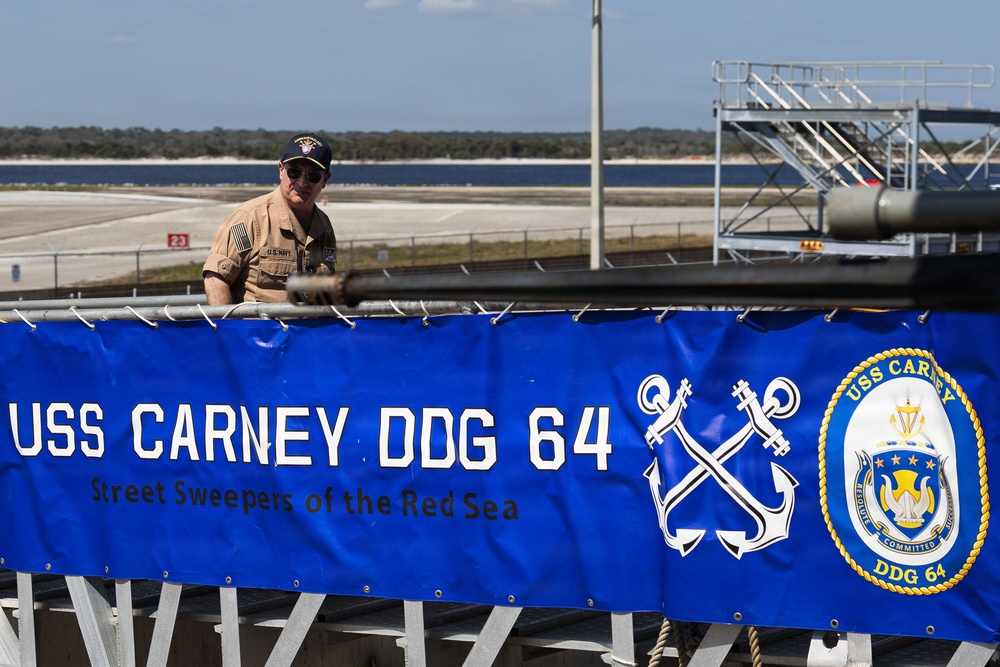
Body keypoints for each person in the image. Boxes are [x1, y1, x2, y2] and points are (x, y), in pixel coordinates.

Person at [203, 132, 338, 304]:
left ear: (325, 180)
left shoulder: (324, 227)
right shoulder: (249, 218)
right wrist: (230, 329)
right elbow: (215, 279)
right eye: (294, 172)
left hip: (311, 330)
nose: (302, 182)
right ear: (281, 170)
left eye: (313, 176)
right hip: (260, 330)